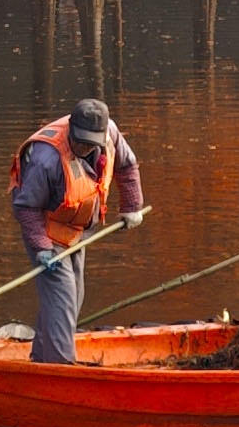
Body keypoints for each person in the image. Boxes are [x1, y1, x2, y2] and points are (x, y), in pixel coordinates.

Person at [10, 97, 146, 364]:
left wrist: (132, 206)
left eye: (89, 142)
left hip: (77, 230)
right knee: (62, 300)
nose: (83, 147)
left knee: (73, 297)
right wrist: (41, 247)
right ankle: (61, 368)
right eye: (79, 140)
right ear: (71, 129)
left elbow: (127, 166)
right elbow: (26, 207)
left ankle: (41, 359)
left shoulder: (110, 134)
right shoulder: (45, 158)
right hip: (47, 232)